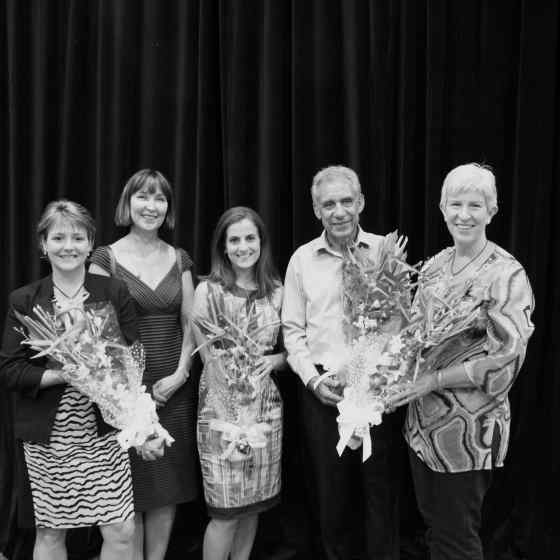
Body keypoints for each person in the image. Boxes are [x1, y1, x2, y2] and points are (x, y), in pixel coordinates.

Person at [0, 200, 162, 560]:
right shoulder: (26, 301)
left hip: (104, 432)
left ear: (91, 244)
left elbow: (135, 362)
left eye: (78, 237)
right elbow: (11, 370)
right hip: (49, 437)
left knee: (122, 530)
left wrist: (145, 427)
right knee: (52, 534)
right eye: (58, 237)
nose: (68, 246)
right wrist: (65, 374)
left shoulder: (113, 292)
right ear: (43, 245)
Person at [387, 163, 535, 560]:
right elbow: (414, 339)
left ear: (492, 211)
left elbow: (504, 365)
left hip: (468, 435)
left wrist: (432, 381)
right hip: (421, 429)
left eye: (476, 205)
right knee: (437, 529)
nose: (464, 214)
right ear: (441, 207)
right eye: (456, 203)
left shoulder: (506, 275)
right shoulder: (435, 265)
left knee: (457, 540)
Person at [282, 165, 403, 560]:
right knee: (331, 500)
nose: (339, 211)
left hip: (378, 392)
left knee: (380, 496)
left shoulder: (386, 251)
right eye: (328, 204)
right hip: (324, 392)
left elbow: (403, 321)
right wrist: (314, 383)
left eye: (346, 201)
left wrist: (383, 377)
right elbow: (292, 332)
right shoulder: (302, 260)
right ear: (316, 210)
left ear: (361, 203)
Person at [89, 169, 199, 559]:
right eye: (143, 197)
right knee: (130, 490)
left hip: (175, 385)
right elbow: (98, 335)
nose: (151, 206)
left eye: (160, 198)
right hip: (127, 395)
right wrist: (129, 398)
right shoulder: (106, 258)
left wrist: (182, 372)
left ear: (167, 207)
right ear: (127, 202)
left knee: (167, 488)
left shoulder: (179, 258)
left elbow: (191, 322)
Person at [192, 206, 286, 560]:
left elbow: (294, 349)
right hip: (220, 409)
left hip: (266, 408)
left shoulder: (276, 291)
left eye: (250, 238)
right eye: (235, 240)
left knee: (253, 506)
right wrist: (228, 399)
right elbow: (206, 356)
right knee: (225, 510)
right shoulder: (208, 291)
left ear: (261, 242)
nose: (243, 246)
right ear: (223, 246)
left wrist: (276, 360)